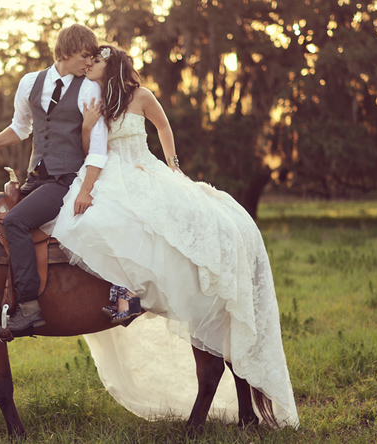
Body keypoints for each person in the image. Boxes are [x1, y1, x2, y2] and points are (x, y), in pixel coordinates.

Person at [49, 45, 299, 426]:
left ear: (110, 64)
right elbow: (92, 150)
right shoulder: (96, 99)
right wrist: (87, 125)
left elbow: (163, 126)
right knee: (88, 223)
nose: (88, 66)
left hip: (142, 167)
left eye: (94, 61)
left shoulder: (142, 95)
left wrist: (173, 165)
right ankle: (126, 292)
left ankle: (141, 294)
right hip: (109, 172)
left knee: (151, 224)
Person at [0, 24, 108, 336]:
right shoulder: (30, 82)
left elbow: (98, 147)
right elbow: (20, 128)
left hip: (67, 179)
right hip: (36, 178)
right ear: (66, 53)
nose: (89, 63)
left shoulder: (89, 88)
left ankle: (28, 308)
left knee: (15, 221)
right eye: (85, 56)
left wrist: (85, 189)